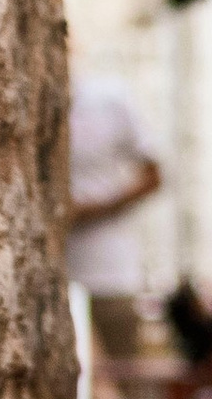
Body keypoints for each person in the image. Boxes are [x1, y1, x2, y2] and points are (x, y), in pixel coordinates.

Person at [68, 72, 163, 357]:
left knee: (121, 375)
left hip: (110, 273)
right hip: (58, 274)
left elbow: (153, 176)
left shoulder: (108, 99)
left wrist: (92, 210)